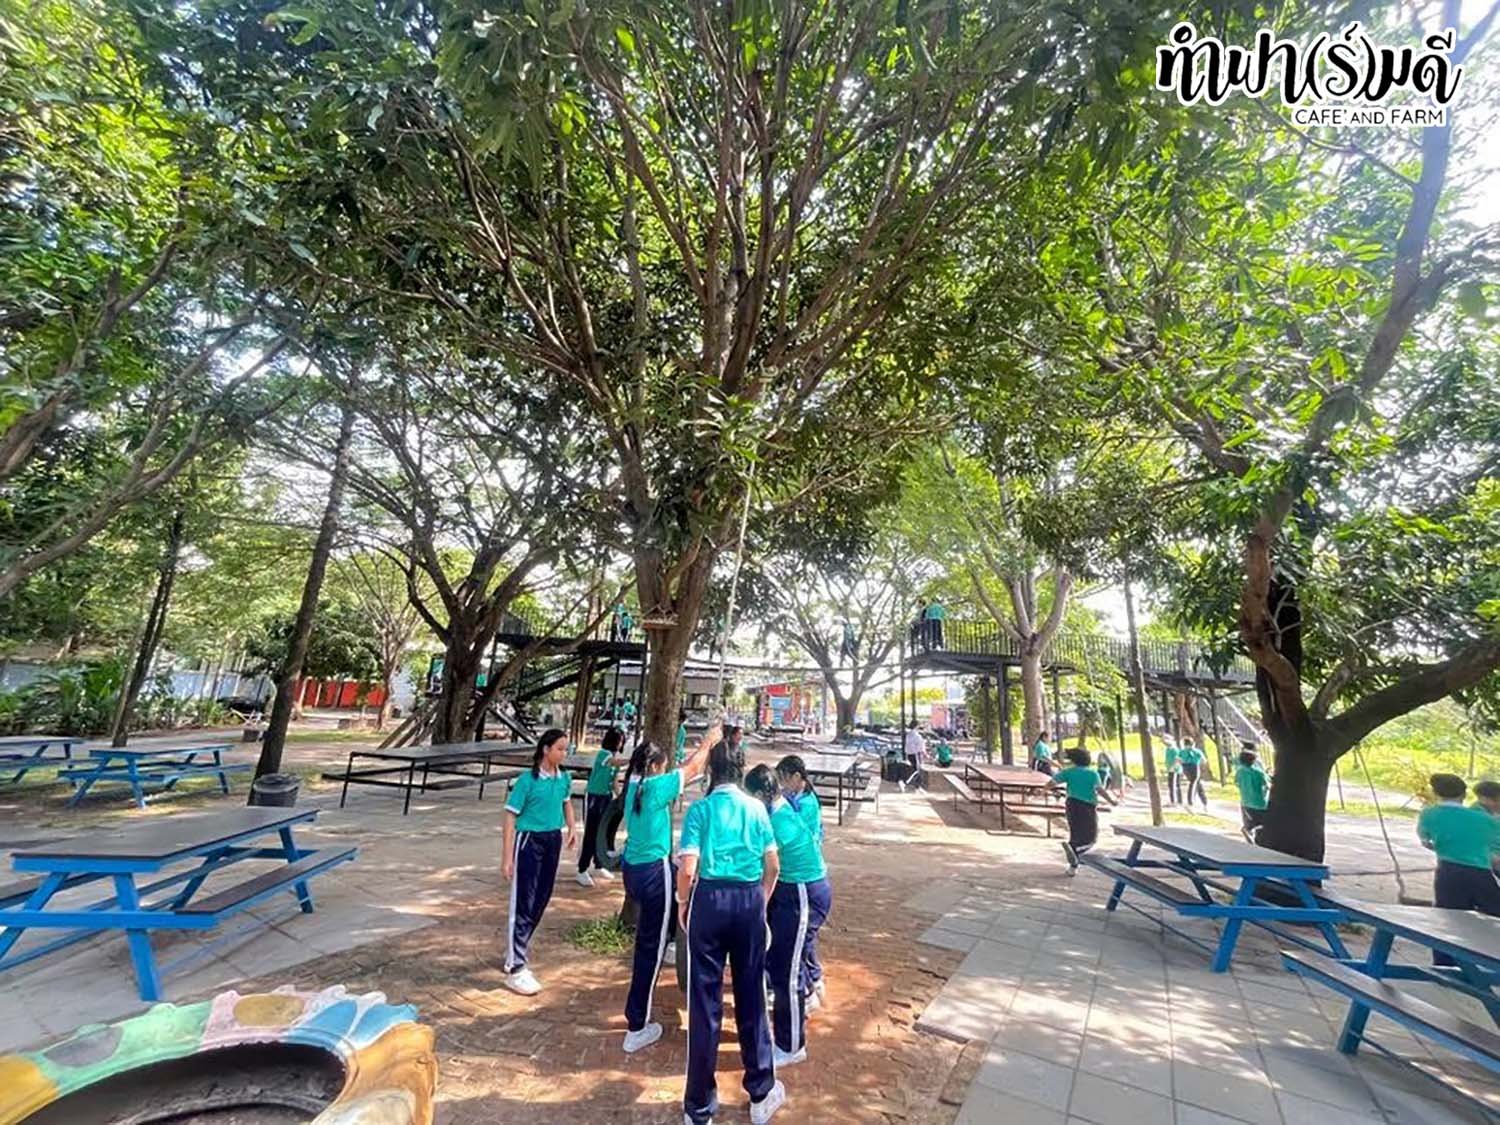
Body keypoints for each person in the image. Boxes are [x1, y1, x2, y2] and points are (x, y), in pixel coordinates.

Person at [677, 739, 786, 1125]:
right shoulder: (757, 809)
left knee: (704, 1004)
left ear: (711, 770)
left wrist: (683, 903)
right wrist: (760, 901)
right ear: (741, 769)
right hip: (748, 901)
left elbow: (687, 868)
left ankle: (699, 1108)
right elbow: (773, 866)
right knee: (751, 996)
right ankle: (760, 1092)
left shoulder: (700, 810)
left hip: (708, 901)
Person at [617, 722, 721, 1053]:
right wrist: (709, 741)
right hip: (653, 874)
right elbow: (693, 769)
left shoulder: (634, 784)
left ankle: (669, 941)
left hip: (633, 870)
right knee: (649, 949)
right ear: (654, 768)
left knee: (651, 938)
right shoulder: (655, 788)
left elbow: (681, 770)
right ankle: (637, 1025)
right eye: (663, 767)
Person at [746, 765, 833, 1068]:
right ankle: (807, 997)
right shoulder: (778, 810)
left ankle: (792, 1045)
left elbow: (761, 864)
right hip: (793, 892)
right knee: (783, 960)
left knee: (788, 970)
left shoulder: (777, 822)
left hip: (803, 894)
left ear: (760, 794)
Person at [501, 729, 579, 995]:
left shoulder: (564, 778)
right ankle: (516, 967)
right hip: (529, 841)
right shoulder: (527, 781)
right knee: (524, 901)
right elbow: (510, 816)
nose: (564, 753)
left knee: (542, 898)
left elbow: (566, 803)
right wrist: (507, 857)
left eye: (566, 749)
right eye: (560, 748)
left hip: (552, 839)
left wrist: (572, 827)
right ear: (546, 749)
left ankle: (516, 948)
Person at [776, 755, 827, 1011]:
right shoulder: (794, 799)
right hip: (798, 875)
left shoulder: (806, 804)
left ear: (797, 777)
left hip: (804, 877)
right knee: (801, 936)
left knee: (799, 939)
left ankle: (809, 987)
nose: (782, 785)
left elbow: (793, 838)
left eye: (785, 779)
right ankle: (814, 978)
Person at [1050, 747, 1118, 874]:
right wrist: (1112, 801)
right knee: (1091, 837)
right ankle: (1075, 849)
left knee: (1075, 833)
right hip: (1087, 807)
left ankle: (1073, 867)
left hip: (1071, 805)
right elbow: (1100, 790)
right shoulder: (1092, 774)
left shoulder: (1068, 772)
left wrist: (1042, 790)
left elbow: (1052, 782)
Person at [577, 727, 627, 887]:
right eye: (619, 741)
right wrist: (632, 760)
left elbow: (614, 781)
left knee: (602, 833)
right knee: (591, 833)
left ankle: (599, 864)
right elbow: (613, 763)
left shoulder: (614, 758)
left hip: (606, 797)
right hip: (594, 797)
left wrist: (620, 798)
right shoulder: (603, 755)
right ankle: (582, 869)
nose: (620, 744)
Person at [1234, 745, 1270, 842]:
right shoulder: (1259, 773)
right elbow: (1267, 785)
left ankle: (1248, 830)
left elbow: (1237, 783)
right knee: (1263, 823)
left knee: (1249, 821)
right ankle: (1256, 837)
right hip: (1260, 803)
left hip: (1246, 802)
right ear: (1254, 761)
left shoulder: (1239, 772)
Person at [1178, 739, 1209, 809]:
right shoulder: (1196, 751)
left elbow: (1178, 760)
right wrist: (1200, 764)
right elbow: (1204, 760)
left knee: (1197, 783)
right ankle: (1190, 801)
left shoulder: (1182, 751)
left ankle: (1204, 801)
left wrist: (1180, 766)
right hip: (1194, 767)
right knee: (1193, 783)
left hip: (1186, 767)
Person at [900, 721, 926, 791]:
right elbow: (920, 746)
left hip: (910, 754)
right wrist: (924, 753)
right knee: (917, 769)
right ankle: (912, 783)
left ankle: (914, 783)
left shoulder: (909, 735)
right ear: (916, 726)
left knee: (914, 769)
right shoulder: (916, 735)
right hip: (915, 754)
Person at [1163, 736, 1182, 805]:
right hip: (1170, 769)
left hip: (1175, 770)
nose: (1164, 743)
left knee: (1173, 785)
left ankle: (1174, 801)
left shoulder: (1174, 750)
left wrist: (1174, 769)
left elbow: (1178, 760)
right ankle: (1175, 800)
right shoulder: (1168, 749)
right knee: (1171, 785)